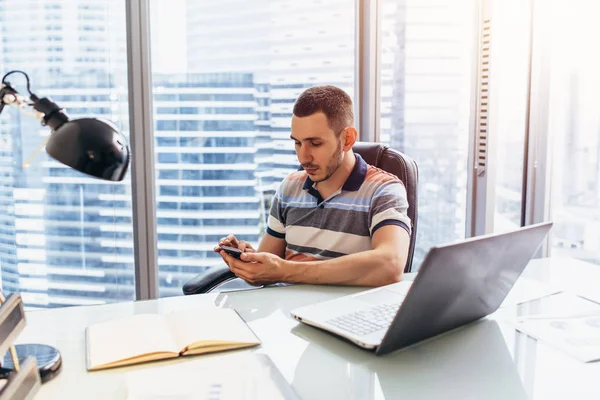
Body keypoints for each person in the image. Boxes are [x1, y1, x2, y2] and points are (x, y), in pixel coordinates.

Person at [215, 85, 411, 287]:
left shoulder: (384, 190)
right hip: (284, 311)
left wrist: (286, 271)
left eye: (315, 143)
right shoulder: (289, 188)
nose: (303, 157)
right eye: (298, 143)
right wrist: (249, 262)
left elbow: (391, 265)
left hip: (340, 316)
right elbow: (268, 270)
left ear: (347, 139)